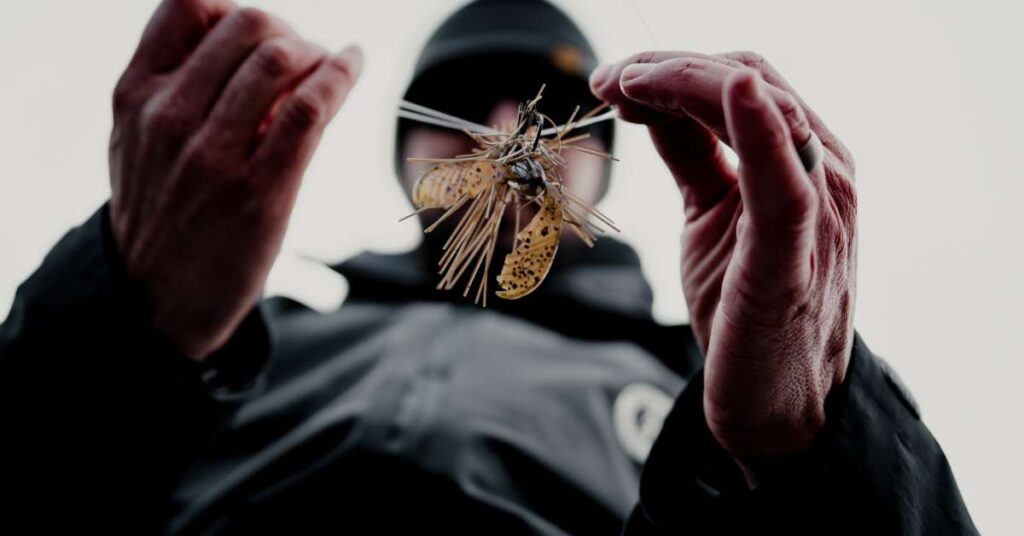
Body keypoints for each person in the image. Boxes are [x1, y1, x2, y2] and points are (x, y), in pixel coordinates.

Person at [0, 0, 978, 533]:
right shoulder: (237, 347)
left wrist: (822, 447)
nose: (510, 132)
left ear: (605, 156)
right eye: (465, 101)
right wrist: (122, 318)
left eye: (550, 110)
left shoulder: (708, 391)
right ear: (405, 155)